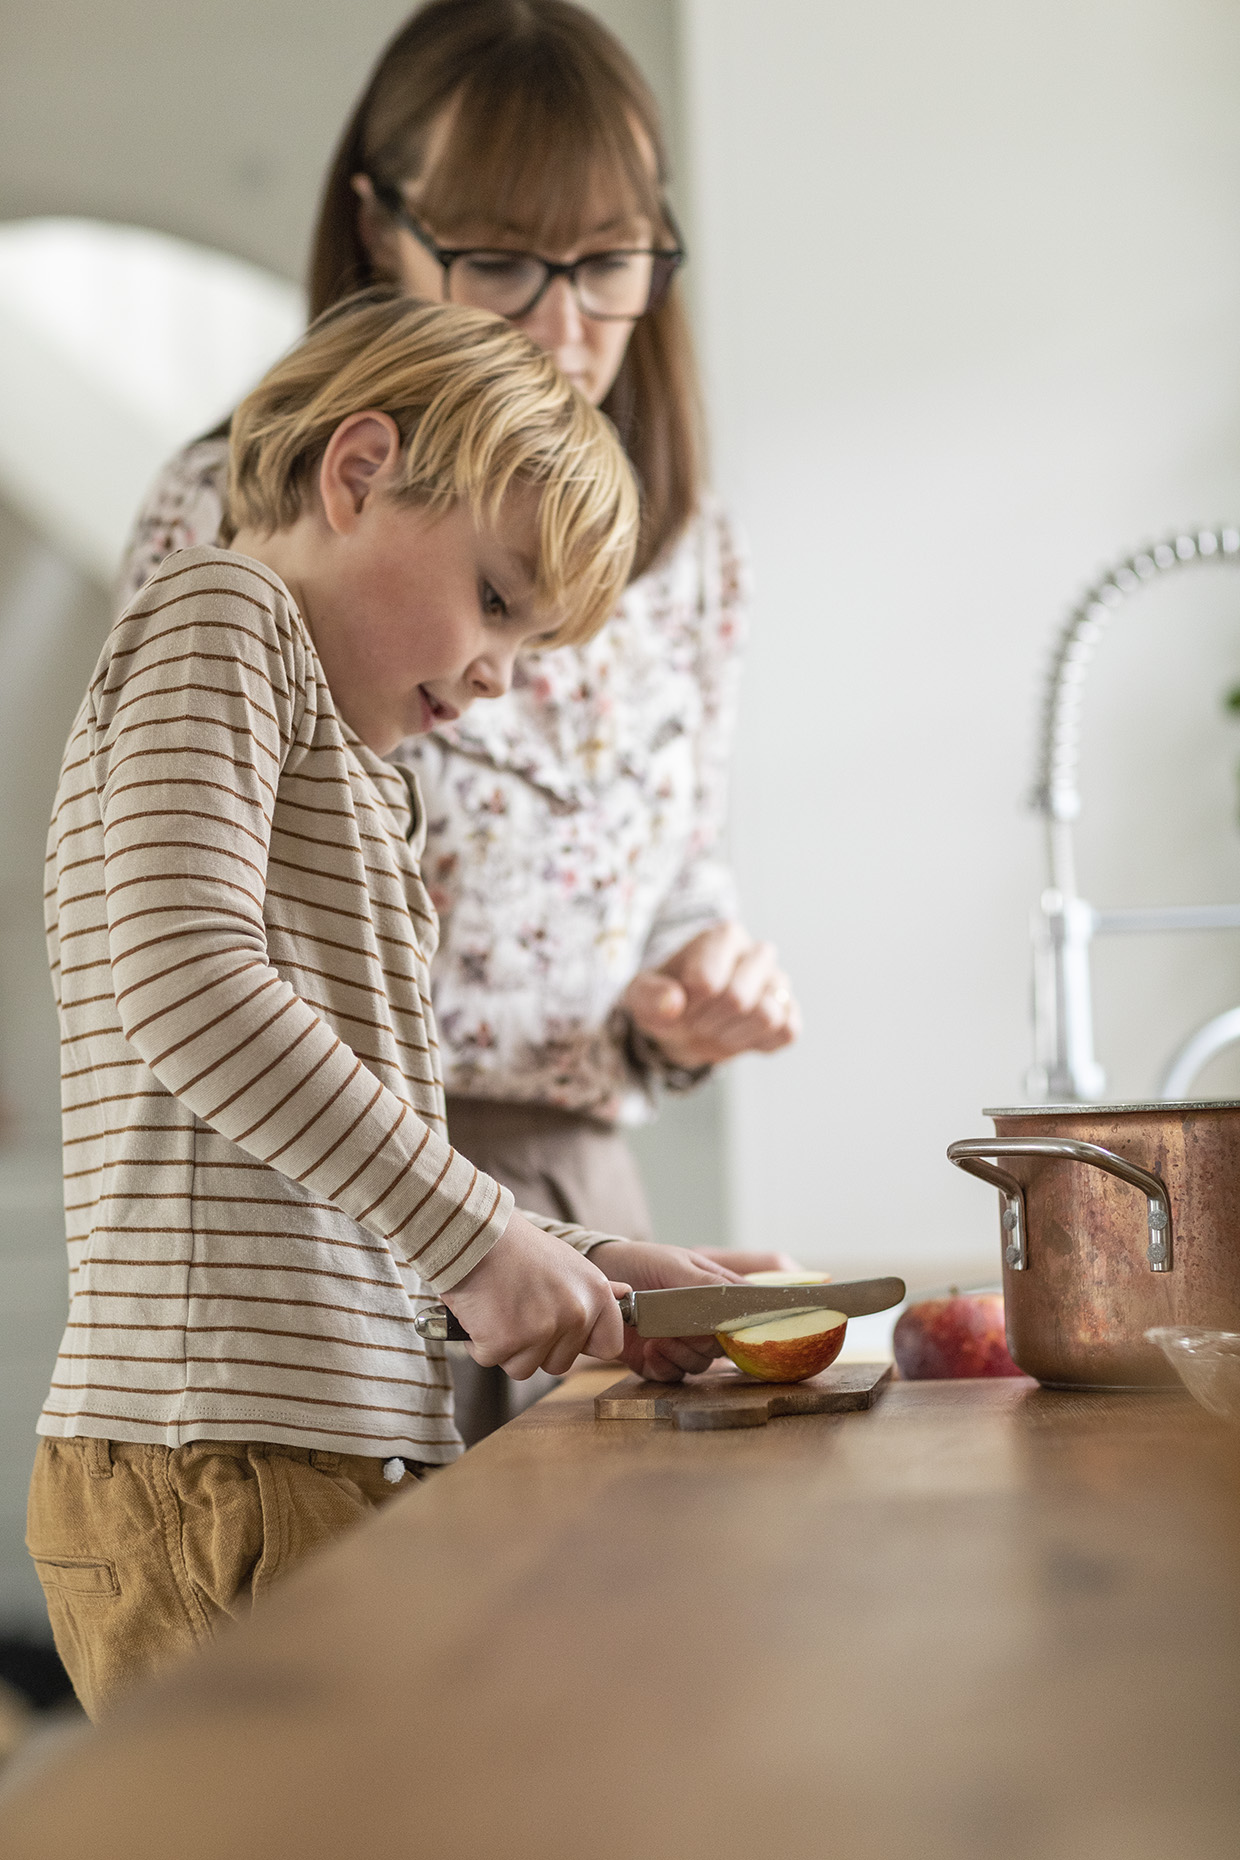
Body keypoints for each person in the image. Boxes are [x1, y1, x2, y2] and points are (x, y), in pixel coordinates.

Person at [28, 291, 753, 1720]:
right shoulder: (220, 613)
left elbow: (350, 1168)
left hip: (302, 1445)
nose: (496, 677)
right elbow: (186, 978)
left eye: (531, 647)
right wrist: (478, 1235)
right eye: (495, 597)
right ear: (355, 473)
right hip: (215, 1455)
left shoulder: (358, 774)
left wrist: (597, 1267)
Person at [119, 1, 802, 1429]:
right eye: (499, 261)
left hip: (574, 1201)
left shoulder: (693, 550)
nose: (562, 326)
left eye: (610, 264)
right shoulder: (242, 526)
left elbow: (670, 860)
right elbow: (185, 946)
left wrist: (688, 994)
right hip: (330, 1201)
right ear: (376, 231)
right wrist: (468, 1231)